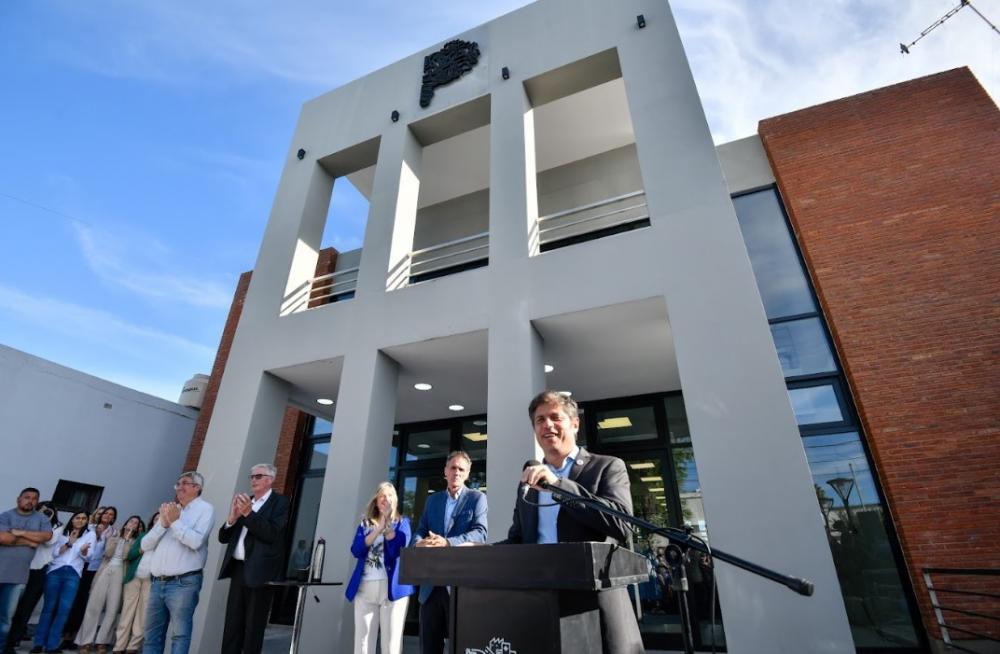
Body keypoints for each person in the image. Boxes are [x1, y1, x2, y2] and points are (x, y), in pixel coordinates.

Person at [500, 390, 643, 654]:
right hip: (541, 603)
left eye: (555, 417)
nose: (547, 425)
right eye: (540, 420)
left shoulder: (607, 467)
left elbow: (622, 524)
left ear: (575, 424)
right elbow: (518, 539)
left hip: (595, 605)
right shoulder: (529, 482)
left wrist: (558, 486)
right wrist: (476, 549)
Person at [414, 451, 487, 654]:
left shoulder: (477, 498)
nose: (456, 472)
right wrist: (418, 543)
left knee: (461, 647)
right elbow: (420, 529)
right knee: (429, 648)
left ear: (467, 473)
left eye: (461, 469)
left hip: (459, 586)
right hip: (430, 587)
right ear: (445, 471)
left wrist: (447, 542)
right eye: (453, 468)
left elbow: (480, 534)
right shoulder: (433, 500)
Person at [217, 464, 289, 654]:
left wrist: (249, 514)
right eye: (252, 477)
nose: (253, 480)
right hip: (238, 570)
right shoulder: (246, 501)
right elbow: (223, 538)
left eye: (258, 476)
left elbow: (271, 534)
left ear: (270, 479)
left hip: (261, 573)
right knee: (232, 625)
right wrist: (232, 519)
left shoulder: (280, 502)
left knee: (253, 628)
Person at [140, 472, 214, 654]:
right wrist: (163, 524)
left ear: (197, 488)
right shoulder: (171, 510)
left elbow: (196, 541)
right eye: (178, 484)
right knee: (151, 635)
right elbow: (144, 544)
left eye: (185, 484)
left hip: (183, 583)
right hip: (158, 582)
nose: (179, 487)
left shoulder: (205, 509)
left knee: (180, 635)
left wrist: (174, 522)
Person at [345, 482, 414, 654]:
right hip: (365, 588)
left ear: (395, 501)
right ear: (376, 500)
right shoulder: (365, 524)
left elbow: (400, 549)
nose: (386, 499)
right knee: (362, 644)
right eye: (382, 495)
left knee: (391, 646)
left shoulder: (403, 523)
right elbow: (356, 550)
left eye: (390, 495)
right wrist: (377, 530)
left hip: (392, 589)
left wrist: (388, 529)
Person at [32, 511, 96, 654]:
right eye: (77, 518)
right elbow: (54, 553)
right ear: (72, 519)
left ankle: (52, 645)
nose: (80, 521)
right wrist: (69, 543)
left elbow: (89, 558)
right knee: (48, 608)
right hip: (55, 571)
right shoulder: (62, 532)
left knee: (64, 609)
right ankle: (38, 643)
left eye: (84, 518)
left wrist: (83, 551)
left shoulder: (90, 535)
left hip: (73, 574)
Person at [76, 515, 143, 653]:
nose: (133, 524)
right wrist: (119, 539)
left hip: (121, 573)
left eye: (136, 523)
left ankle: (103, 641)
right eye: (131, 521)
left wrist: (127, 539)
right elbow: (108, 552)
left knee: (112, 609)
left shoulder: (135, 542)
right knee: (94, 605)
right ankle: (85, 641)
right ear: (125, 524)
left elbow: (125, 555)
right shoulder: (113, 537)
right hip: (106, 570)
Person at [4, 501, 61, 654]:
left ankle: (13, 640)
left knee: (26, 607)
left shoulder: (56, 528)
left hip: (38, 571)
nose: (45, 514)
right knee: (9, 604)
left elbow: (47, 541)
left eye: (49, 512)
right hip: (19, 567)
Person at [60, 508, 111, 651]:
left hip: (95, 571)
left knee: (84, 604)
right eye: (103, 513)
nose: (106, 516)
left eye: (110, 514)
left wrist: (103, 537)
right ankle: (66, 636)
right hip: (81, 567)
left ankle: (77, 636)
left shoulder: (113, 532)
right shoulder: (88, 528)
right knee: (73, 602)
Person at [113, 514, 154, 654]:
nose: (158, 521)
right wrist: (140, 550)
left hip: (150, 580)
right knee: (127, 612)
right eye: (155, 519)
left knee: (142, 614)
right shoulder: (143, 536)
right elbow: (129, 555)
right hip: (134, 577)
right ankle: (119, 646)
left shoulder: (166, 540)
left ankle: (133, 646)